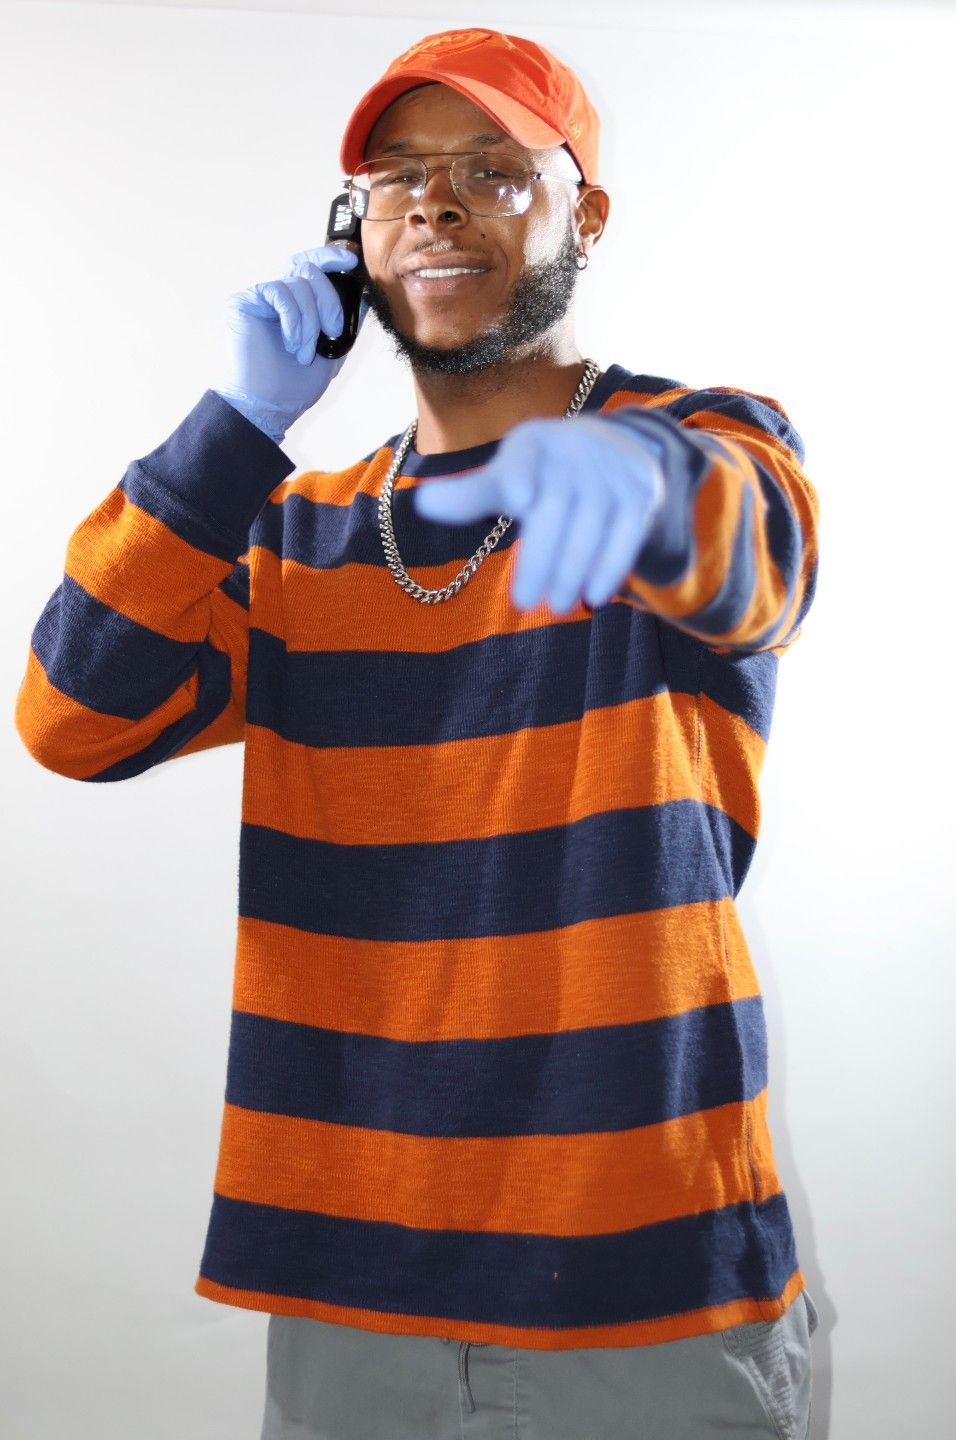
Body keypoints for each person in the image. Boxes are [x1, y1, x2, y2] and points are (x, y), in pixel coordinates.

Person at [14, 25, 821, 1440]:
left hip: (640, 1262)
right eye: (398, 178)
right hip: (350, 1272)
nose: (435, 205)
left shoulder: (702, 441)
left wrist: (638, 484)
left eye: (494, 172)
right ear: (356, 235)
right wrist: (235, 424)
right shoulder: (298, 531)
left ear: (586, 214)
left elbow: (756, 555)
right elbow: (70, 717)